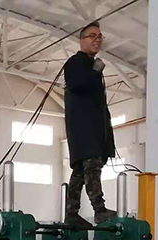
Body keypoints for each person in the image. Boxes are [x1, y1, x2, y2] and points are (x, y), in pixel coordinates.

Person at [63, 21, 117, 226]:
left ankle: (72, 213)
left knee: (80, 171)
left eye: (100, 36)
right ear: (81, 40)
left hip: (90, 128)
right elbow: (76, 84)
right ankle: (99, 209)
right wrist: (95, 71)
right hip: (84, 129)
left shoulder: (89, 66)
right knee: (92, 166)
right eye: (92, 36)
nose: (97, 40)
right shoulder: (75, 63)